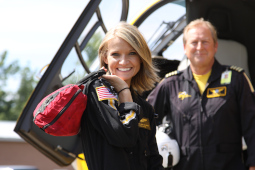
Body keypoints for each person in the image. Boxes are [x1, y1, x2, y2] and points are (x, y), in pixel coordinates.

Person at [147, 18, 255, 170]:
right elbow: (144, 121)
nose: (199, 47)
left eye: (205, 41)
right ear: (185, 47)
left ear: (215, 46)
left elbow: (252, 126)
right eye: (194, 42)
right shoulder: (170, 84)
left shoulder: (236, 79)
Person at [80, 21, 164, 170]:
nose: (124, 61)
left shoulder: (145, 108)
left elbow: (154, 161)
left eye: (132, 53)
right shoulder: (96, 90)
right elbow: (125, 137)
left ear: (141, 57)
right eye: (116, 54)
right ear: (105, 58)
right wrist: (124, 91)